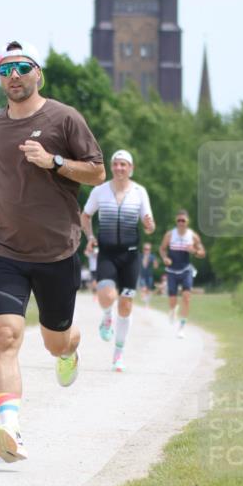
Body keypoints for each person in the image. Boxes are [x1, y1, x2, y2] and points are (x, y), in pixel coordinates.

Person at [0, 39, 105, 463]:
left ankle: (71, 351)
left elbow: (96, 172)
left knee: (56, 342)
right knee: (6, 336)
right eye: (5, 71)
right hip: (5, 246)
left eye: (22, 69)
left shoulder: (65, 118)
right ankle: (10, 427)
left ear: (37, 73)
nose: (14, 77)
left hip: (56, 251)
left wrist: (55, 163)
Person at [81, 150, 155, 372]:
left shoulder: (140, 193)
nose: (119, 168)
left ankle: (118, 354)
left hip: (131, 256)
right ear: (111, 167)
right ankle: (106, 316)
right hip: (107, 254)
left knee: (125, 305)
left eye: (124, 164)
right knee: (107, 296)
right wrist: (91, 237)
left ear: (130, 168)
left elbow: (149, 226)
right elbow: (85, 216)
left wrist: (150, 225)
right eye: (116, 164)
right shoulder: (99, 191)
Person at [159, 210, 206, 338]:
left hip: (186, 270)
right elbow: (162, 249)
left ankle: (181, 327)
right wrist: (164, 258)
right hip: (171, 271)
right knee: (172, 301)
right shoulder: (169, 235)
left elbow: (203, 253)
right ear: (176, 221)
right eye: (178, 220)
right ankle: (173, 309)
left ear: (187, 222)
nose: (181, 223)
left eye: (183, 220)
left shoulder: (193, 236)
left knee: (186, 297)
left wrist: (194, 251)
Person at [138, 242, 158, 307]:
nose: (146, 250)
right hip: (142, 275)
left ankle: (147, 304)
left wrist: (155, 263)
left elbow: (155, 266)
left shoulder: (152, 257)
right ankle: (144, 299)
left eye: (148, 249)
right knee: (143, 289)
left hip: (149, 275)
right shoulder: (140, 256)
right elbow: (140, 265)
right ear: (143, 249)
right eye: (145, 249)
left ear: (150, 250)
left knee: (148, 290)